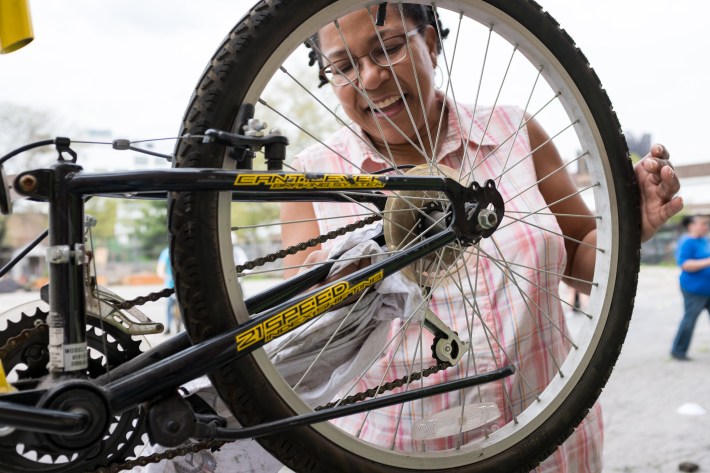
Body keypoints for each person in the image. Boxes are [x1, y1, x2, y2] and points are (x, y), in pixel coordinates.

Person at [278, 4, 683, 472]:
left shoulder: (515, 133)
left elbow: (581, 254)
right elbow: (304, 331)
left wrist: (630, 228)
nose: (370, 78)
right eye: (344, 66)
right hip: (405, 453)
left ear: (429, 42)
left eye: (387, 48)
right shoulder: (312, 178)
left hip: (551, 431)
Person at [670, 215, 710, 361]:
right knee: (690, 319)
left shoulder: (705, 240)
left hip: (708, 288)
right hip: (694, 290)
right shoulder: (686, 242)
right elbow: (685, 264)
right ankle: (678, 350)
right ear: (691, 226)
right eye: (703, 224)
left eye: (706, 224)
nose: (706, 226)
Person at [156, 246, 181, 335]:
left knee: (172, 307)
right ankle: (171, 326)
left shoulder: (166, 252)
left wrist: (164, 276)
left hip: (172, 284)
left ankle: (172, 326)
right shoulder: (168, 252)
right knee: (174, 306)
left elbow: (160, 270)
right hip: (172, 284)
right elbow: (160, 270)